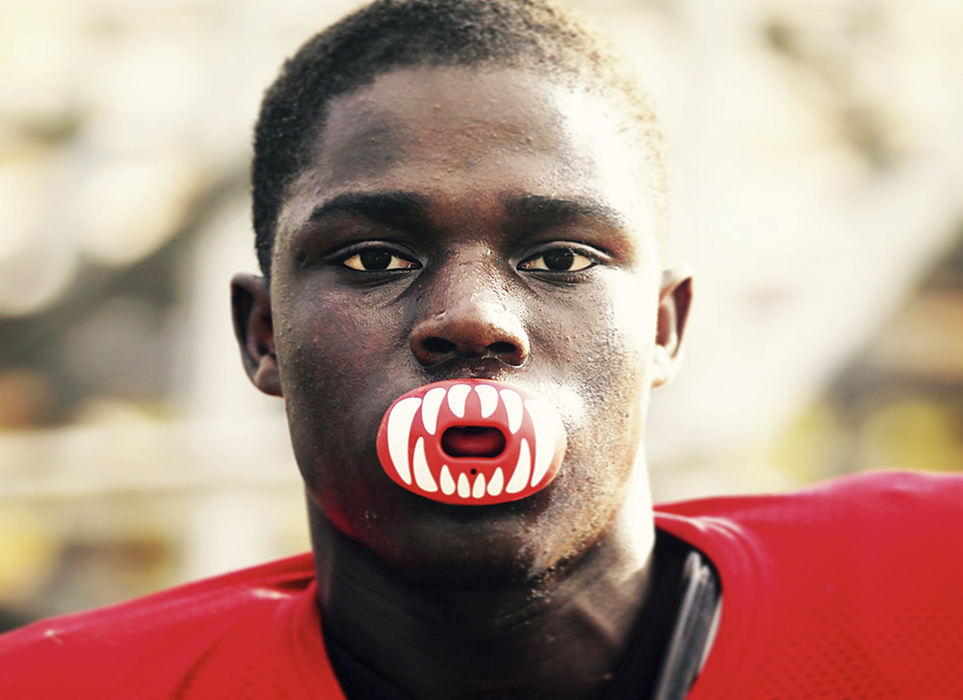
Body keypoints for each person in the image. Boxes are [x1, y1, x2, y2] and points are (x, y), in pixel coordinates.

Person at [2, 1, 962, 698]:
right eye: (374, 258)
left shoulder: (932, 585)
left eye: (559, 258)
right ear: (263, 338)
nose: (471, 320)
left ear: (664, 327)